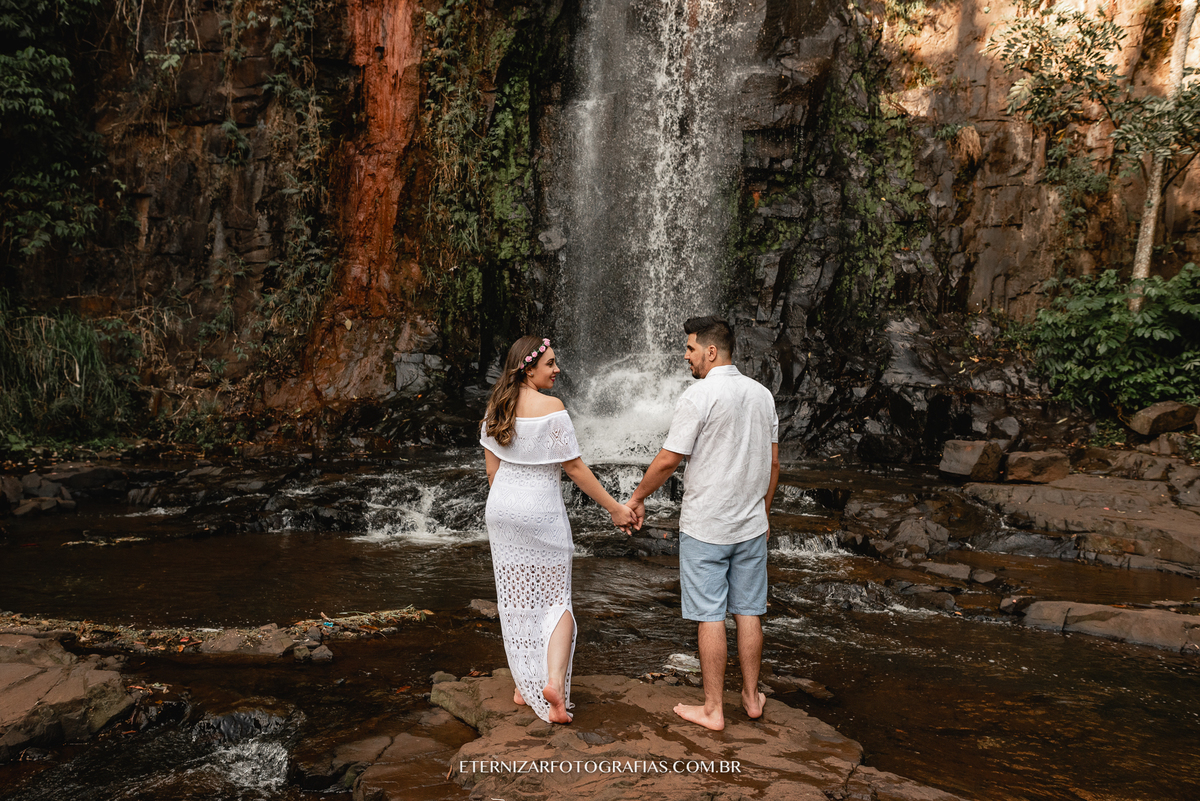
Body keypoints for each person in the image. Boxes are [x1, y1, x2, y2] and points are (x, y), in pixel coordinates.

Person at [626, 316, 779, 731]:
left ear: (711, 351)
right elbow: (773, 463)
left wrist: (637, 499)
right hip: (750, 525)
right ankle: (750, 698)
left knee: (710, 615)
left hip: (706, 526)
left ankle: (713, 709)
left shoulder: (699, 395)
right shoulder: (762, 395)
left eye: (690, 348)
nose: (685, 355)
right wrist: (763, 512)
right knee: (749, 612)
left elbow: (668, 459)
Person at [481, 335, 637, 724]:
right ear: (528, 368)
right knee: (556, 599)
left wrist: (508, 507)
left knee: (516, 596)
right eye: (550, 363)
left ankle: (523, 683)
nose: (557, 369)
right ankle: (550, 684)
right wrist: (616, 509)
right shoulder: (552, 408)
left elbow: (491, 471)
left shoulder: (496, 407)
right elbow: (575, 468)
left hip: (501, 509)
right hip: (540, 511)